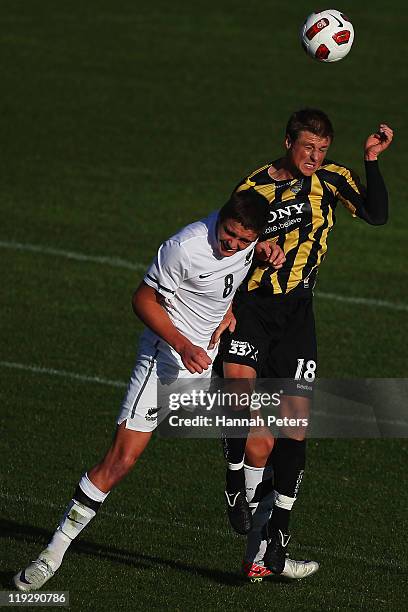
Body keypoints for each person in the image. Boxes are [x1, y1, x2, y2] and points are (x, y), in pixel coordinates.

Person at [15, 187, 317, 592]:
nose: (233, 245)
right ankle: (51, 555)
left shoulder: (250, 243)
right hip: (168, 362)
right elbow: (142, 300)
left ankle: (258, 557)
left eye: (245, 241)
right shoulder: (184, 246)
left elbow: (229, 279)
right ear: (221, 218)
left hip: (209, 355)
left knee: (261, 442)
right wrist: (183, 343)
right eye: (229, 235)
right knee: (120, 461)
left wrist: (228, 309)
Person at [217, 108, 393, 581]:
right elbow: (227, 243)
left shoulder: (333, 180)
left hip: (297, 317)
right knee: (242, 407)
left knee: (293, 428)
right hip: (251, 308)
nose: (315, 157)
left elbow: (377, 214)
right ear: (288, 141)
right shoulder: (253, 189)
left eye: (322, 149)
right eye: (307, 147)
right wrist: (235, 288)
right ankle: (235, 478)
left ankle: (277, 535)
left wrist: (371, 160)